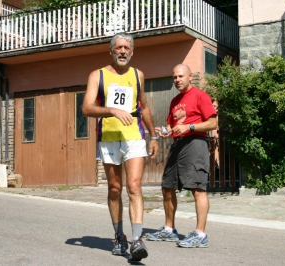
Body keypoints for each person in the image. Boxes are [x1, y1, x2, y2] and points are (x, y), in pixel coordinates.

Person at [82, 32, 159, 261]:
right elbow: (86, 108)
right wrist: (112, 110)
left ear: (132, 51)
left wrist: (154, 136)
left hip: (134, 136)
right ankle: (118, 236)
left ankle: (136, 240)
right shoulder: (98, 75)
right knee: (115, 188)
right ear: (111, 51)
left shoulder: (138, 75)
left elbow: (143, 106)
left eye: (127, 48)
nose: (123, 51)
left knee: (134, 186)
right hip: (108, 137)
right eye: (119, 48)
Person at [146, 64, 217, 248]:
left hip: (195, 143)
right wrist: (165, 131)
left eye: (180, 76)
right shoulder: (175, 100)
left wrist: (190, 127)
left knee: (198, 189)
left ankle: (201, 234)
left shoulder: (201, 95)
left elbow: (212, 123)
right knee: (167, 187)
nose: (177, 80)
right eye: (174, 77)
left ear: (189, 76)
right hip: (177, 145)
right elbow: (171, 125)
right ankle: (169, 230)